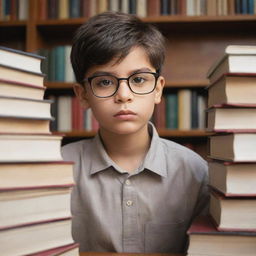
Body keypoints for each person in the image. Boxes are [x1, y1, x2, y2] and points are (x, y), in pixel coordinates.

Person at [61, 11, 209, 253]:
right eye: (105, 82)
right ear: (83, 95)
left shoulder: (195, 172)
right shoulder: (56, 170)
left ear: (158, 90)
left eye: (139, 79)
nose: (123, 95)